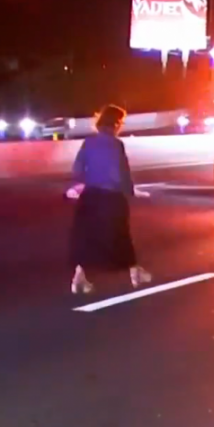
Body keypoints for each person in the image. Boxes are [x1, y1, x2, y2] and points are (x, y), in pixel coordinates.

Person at [69, 105, 152, 293]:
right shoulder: (116, 144)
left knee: (87, 238)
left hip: (90, 197)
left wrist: (80, 185)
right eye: (120, 122)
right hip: (111, 197)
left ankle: (79, 277)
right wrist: (130, 191)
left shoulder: (88, 143)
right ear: (115, 123)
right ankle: (135, 272)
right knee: (121, 235)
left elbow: (77, 169)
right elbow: (122, 172)